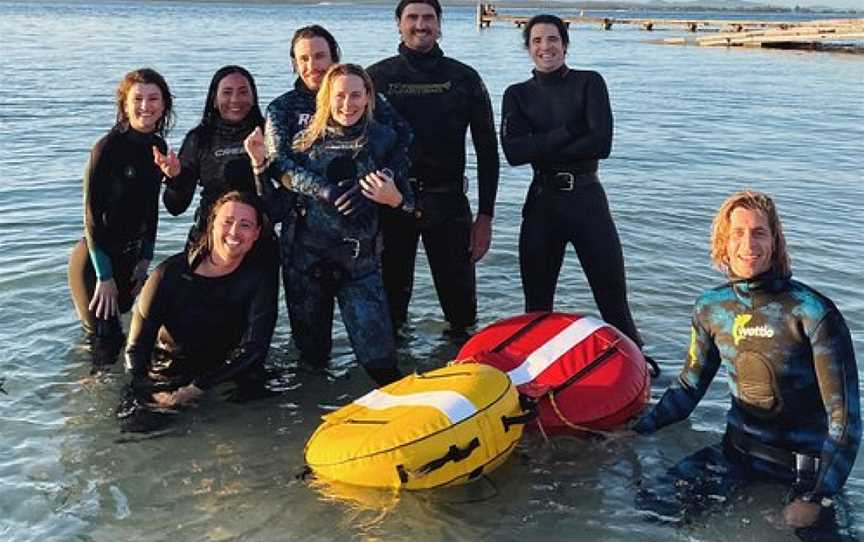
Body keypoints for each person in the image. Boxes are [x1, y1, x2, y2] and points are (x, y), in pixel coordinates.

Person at [630, 190, 860, 530]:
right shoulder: (712, 308)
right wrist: (637, 431)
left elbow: (846, 421)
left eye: (759, 233)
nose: (747, 244)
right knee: (650, 510)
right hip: (736, 454)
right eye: (737, 233)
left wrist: (816, 497)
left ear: (775, 241)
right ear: (723, 243)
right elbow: (688, 388)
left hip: (805, 470)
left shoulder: (812, 314)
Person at [248, 63, 412, 387]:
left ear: (368, 98)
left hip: (360, 266)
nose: (347, 104)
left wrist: (391, 198)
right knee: (312, 361)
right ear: (326, 98)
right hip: (306, 266)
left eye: (355, 95)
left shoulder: (384, 141)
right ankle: (308, 422)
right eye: (339, 96)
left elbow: (409, 205)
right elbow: (276, 201)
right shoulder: (300, 146)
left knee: (381, 364)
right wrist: (264, 170)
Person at [500, 14, 645, 351]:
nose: (545, 47)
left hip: (587, 201)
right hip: (542, 204)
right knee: (536, 308)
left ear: (565, 44)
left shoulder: (589, 82)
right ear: (528, 48)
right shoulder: (517, 95)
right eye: (537, 40)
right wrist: (570, 130)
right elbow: (514, 152)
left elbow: (601, 144)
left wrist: (541, 143)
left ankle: (643, 379)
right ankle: (534, 379)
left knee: (613, 304)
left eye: (552, 39)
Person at [367, 0, 500, 336]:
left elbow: (487, 150)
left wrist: (485, 216)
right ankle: (394, 378)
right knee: (389, 311)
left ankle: (465, 375)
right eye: (412, 17)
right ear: (398, 23)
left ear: (440, 25)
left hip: (448, 202)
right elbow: (356, 145)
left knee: (462, 314)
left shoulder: (464, 78)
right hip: (390, 203)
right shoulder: (375, 78)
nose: (420, 25)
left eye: (428, 18)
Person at [123, 191, 278, 415]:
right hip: (167, 375)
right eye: (227, 222)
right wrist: (147, 389)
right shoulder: (169, 274)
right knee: (141, 435)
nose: (234, 232)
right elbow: (136, 347)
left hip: (221, 375)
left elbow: (255, 348)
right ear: (211, 224)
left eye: (245, 225)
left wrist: (198, 388)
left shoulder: (259, 277)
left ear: (256, 234)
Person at [68, 68, 175, 370]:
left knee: (125, 337)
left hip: (131, 260)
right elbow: (90, 218)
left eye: (153, 98)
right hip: (95, 261)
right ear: (124, 105)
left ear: (164, 104)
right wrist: (104, 276)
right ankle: (88, 403)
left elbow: (151, 209)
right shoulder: (107, 149)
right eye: (137, 99)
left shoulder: (159, 148)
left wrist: (144, 261)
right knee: (107, 343)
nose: (145, 106)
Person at [157, 66, 265, 248]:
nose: (235, 100)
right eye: (227, 93)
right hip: (209, 237)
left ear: (253, 97)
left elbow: (281, 202)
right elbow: (176, 208)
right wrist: (175, 178)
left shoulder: (268, 135)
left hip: (255, 240)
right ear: (214, 99)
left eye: (243, 92)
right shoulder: (199, 139)